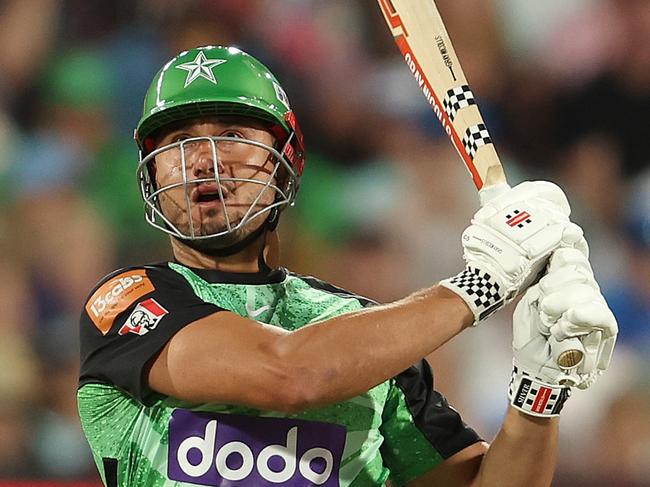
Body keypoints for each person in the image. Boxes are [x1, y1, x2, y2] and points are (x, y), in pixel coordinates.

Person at [77, 46, 618, 487]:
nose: (204, 159)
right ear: (150, 174)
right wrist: (483, 284)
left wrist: (541, 390)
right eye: (179, 141)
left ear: (286, 162)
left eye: (234, 136)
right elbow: (289, 374)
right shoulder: (124, 302)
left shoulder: (362, 333)